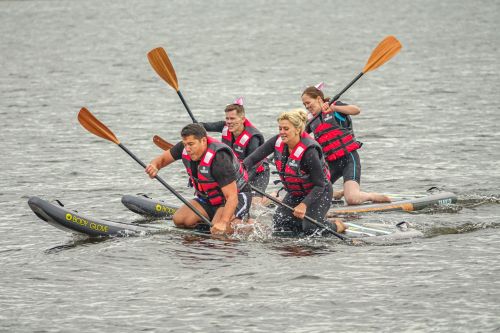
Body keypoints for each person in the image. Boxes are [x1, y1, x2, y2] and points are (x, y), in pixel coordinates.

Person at [243, 109, 346, 235]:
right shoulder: (277, 141)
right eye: (280, 128)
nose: (282, 132)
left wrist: (304, 205)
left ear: (297, 130)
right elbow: (253, 159)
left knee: (310, 229)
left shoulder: (309, 151)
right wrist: (239, 171)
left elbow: (321, 184)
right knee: (280, 224)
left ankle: (336, 225)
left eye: (286, 129)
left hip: (319, 193)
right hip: (296, 193)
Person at [145, 123, 252, 235]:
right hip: (210, 198)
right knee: (180, 220)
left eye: (191, 144)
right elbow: (162, 159)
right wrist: (154, 166)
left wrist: (223, 222)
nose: (187, 149)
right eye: (185, 144)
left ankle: (248, 226)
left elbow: (232, 196)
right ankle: (214, 220)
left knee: (219, 233)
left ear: (203, 141)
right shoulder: (185, 147)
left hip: (237, 196)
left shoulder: (219, 159)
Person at [302, 83, 391, 205]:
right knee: (310, 194)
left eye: (308, 102)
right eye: (304, 104)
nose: (307, 106)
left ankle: (372, 196)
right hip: (330, 164)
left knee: (352, 199)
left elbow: (356, 110)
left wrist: (334, 108)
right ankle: (336, 193)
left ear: (318, 99)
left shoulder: (335, 107)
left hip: (349, 159)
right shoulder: (311, 121)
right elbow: (298, 137)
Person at [199, 97, 270, 204]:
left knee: (253, 204)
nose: (229, 122)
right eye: (227, 118)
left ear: (242, 119)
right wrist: (197, 127)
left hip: (257, 173)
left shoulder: (253, 138)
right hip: (237, 169)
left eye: (232, 119)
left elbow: (253, 165)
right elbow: (203, 126)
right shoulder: (224, 126)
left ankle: (269, 199)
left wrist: (235, 181)